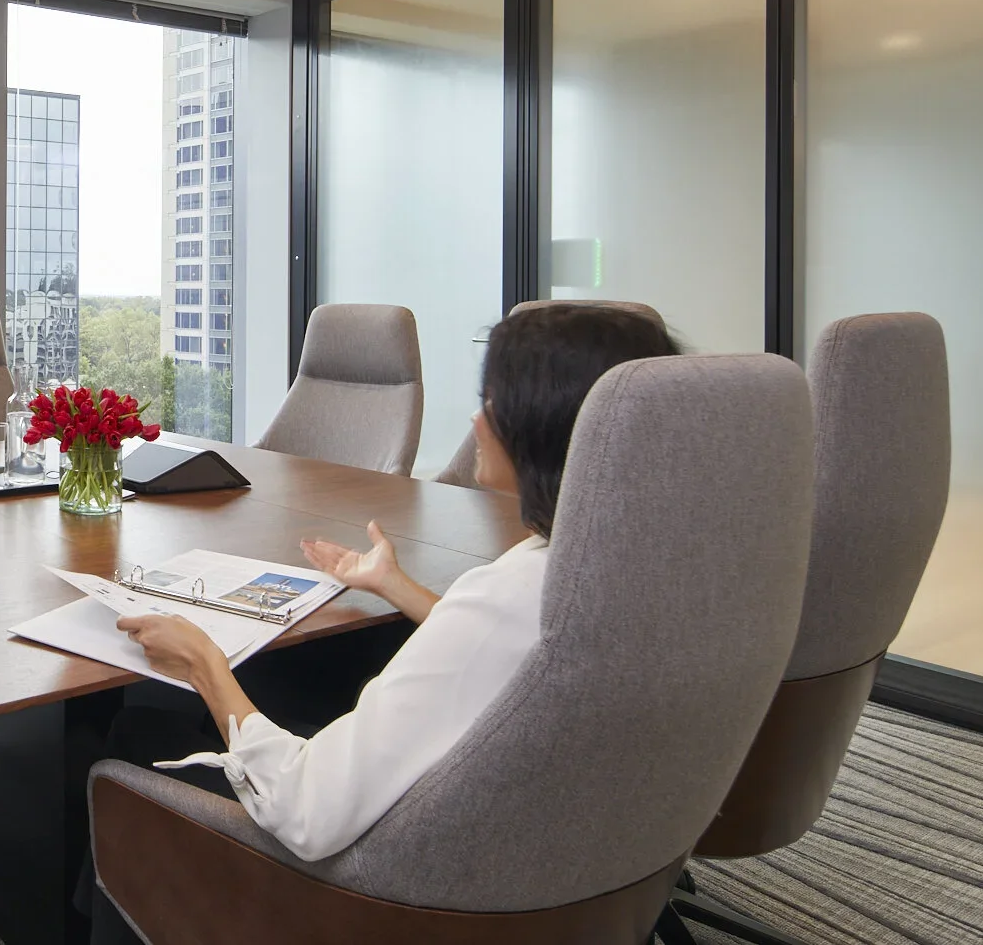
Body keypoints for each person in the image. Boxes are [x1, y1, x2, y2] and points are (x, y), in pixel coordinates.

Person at [88, 304, 679, 940]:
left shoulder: (512, 591)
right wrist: (397, 587)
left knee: (142, 729)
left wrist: (203, 662)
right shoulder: (645, 563)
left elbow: (303, 810)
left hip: (399, 898)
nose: (476, 421)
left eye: (492, 401)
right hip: (575, 859)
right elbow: (527, 657)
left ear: (543, 424)